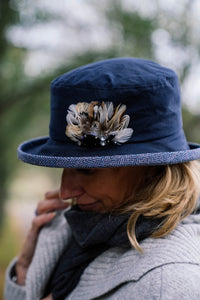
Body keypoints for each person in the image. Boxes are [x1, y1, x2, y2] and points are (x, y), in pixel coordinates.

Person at [4, 57, 200, 300]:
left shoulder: (171, 285)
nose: (65, 192)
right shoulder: (83, 234)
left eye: (87, 170)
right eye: (63, 168)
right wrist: (25, 273)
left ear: (152, 168)